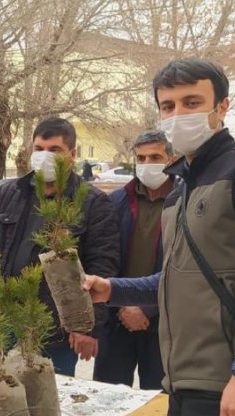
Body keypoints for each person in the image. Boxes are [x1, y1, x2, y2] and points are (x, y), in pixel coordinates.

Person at [83, 58, 235, 416]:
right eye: (168, 106)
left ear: (222, 107)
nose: (177, 114)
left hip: (231, 386)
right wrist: (113, 289)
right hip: (182, 383)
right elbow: (178, 279)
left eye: (191, 102)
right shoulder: (180, 191)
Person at [0, 117, 119, 376]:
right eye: (39, 149)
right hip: (7, 316)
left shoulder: (93, 203)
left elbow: (103, 264)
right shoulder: (11, 193)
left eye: (54, 150)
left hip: (56, 329)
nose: (44, 156)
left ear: (72, 155)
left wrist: (88, 327)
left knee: (50, 400)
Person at [92, 129, 173, 390]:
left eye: (155, 157)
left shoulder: (185, 202)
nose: (148, 164)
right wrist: (120, 306)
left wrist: (146, 308)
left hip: (164, 324)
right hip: (117, 321)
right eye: (141, 158)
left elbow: (184, 268)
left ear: (171, 159)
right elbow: (104, 258)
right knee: (107, 402)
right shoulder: (116, 202)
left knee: (160, 406)